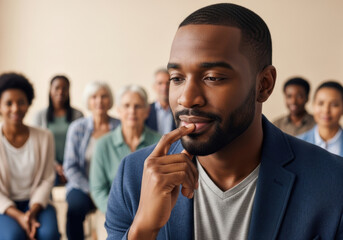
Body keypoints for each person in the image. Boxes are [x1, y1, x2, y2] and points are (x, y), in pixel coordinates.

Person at [105, 3, 343, 240]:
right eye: (176, 78)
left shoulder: (333, 181)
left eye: (212, 78)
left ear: (264, 85)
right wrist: (143, 230)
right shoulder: (134, 176)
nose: (187, 98)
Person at [89, 85, 160, 239]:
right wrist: (118, 215)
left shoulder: (160, 142)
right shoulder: (103, 145)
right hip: (114, 216)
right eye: (126, 106)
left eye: (137, 106)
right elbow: (98, 189)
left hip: (154, 216)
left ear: (147, 111)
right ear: (119, 111)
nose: (132, 111)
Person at [0, 73, 59, 240]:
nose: (15, 108)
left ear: (28, 104)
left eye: (21, 102)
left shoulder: (44, 137)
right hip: (4, 207)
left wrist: (31, 212)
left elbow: (48, 178)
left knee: (49, 234)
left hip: (37, 203)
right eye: (8, 103)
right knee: (13, 236)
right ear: (0, 106)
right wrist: (19, 216)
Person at [63, 81, 120, 240]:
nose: (99, 101)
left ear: (110, 100)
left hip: (112, 186)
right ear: (88, 101)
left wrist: (103, 192)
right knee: (75, 208)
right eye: (94, 97)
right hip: (82, 187)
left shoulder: (120, 126)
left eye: (104, 96)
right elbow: (70, 167)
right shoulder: (77, 128)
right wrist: (92, 190)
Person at [33, 75, 83, 185]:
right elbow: (37, 146)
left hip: (74, 164)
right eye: (57, 88)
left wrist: (68, 167)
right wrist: (56, 166)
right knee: (48, 182)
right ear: (50, 90)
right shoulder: (40, 116)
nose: (60, 91)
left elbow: (81, 146)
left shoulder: (78, 115)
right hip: (48, 164)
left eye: (64, 88)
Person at [298, 81, 343, 155]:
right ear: (313, 105)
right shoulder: (297, 144)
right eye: (321, 103)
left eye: (334, 105)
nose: (326, 110)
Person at [145, 68, 176, 134]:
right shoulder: (146, 110)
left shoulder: (179, 110)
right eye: (160, 83)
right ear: (154, 86)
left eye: (168, 83)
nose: (164, 87)